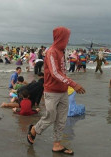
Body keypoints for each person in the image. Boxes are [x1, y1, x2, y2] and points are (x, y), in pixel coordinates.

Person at [27, 27, 85, 155]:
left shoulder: (62, 51)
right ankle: (34, 130)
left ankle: (57, 144)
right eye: (66, 38)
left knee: (61, 119)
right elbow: (54, 73)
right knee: (50, 117)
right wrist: (73, 84)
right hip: (52, 91)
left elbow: (63, 71)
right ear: (60, 38)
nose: (68, 40)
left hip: (63, 91)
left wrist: (68, 86)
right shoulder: (52, 52)